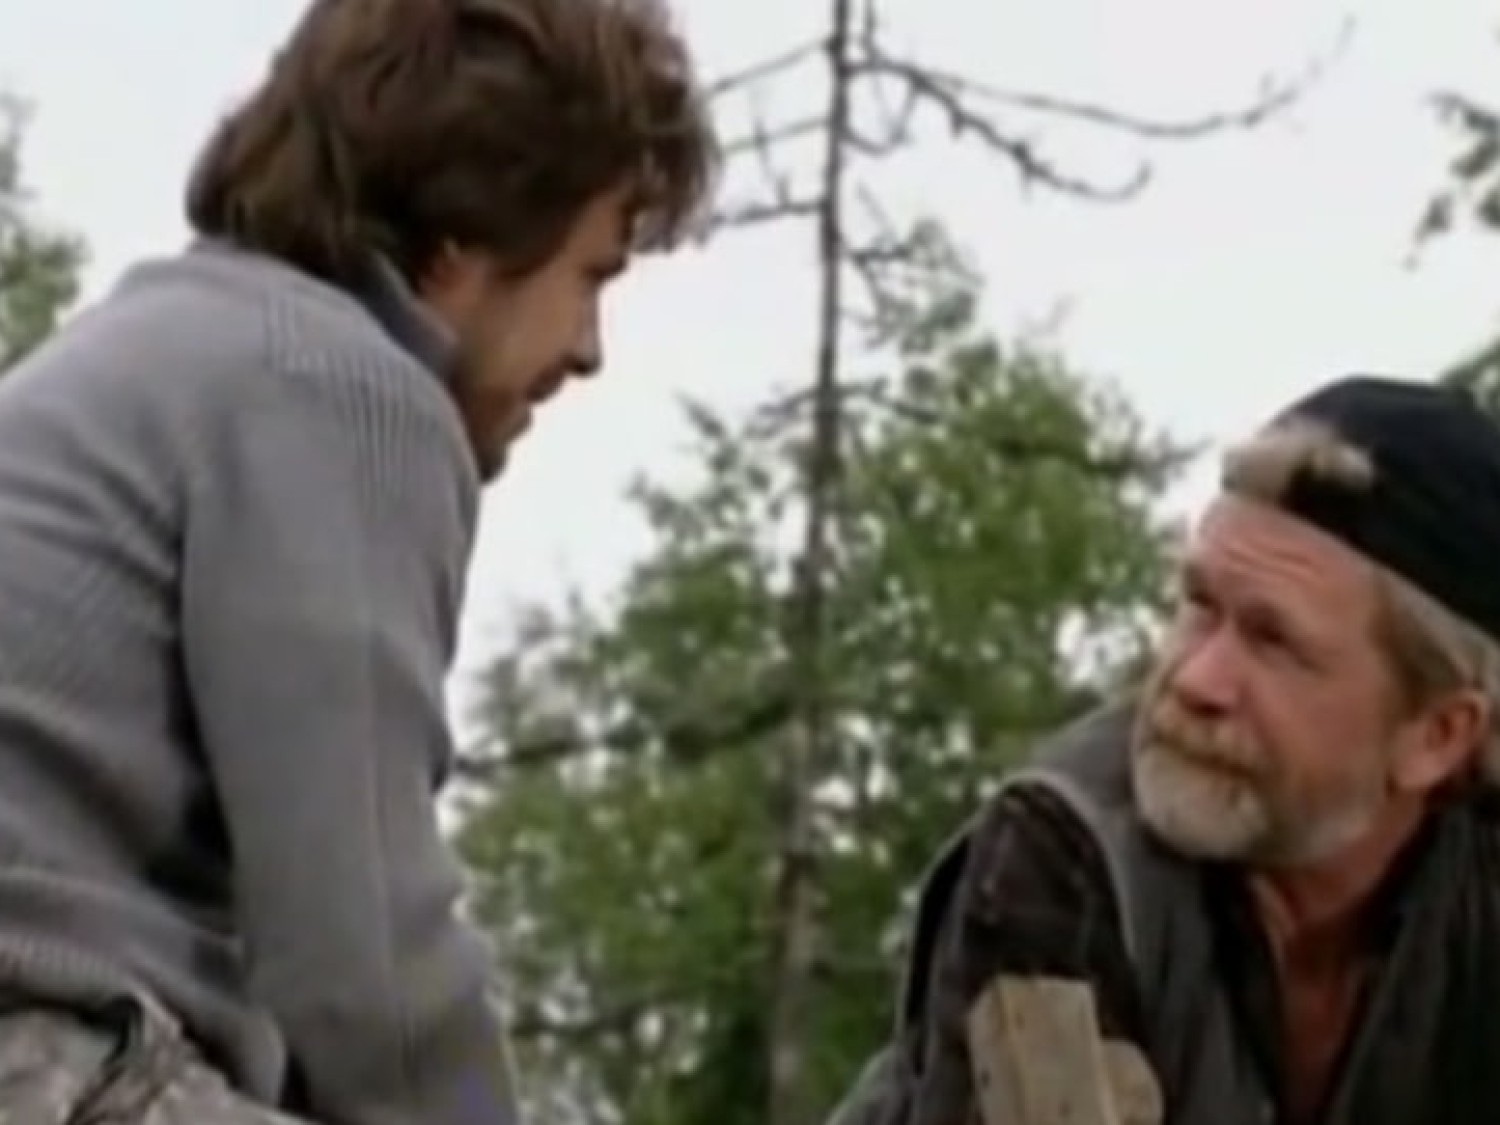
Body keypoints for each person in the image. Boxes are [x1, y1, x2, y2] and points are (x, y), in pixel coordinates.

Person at [0, 0, 715, 1122]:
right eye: (594, 274)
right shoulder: (339, 389)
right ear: (470, 229)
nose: (588, 349)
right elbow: (368, 968)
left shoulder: (177, 344)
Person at [830, 375, 1500, 1125]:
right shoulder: (1069, 855)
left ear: (1438, 736)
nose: (1194, 679)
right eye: (1198, 605)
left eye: (1273, 641)